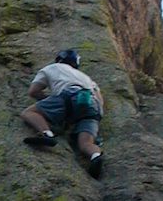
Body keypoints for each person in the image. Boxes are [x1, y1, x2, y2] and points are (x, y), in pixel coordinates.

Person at [21, 49, 105, 179]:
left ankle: (47, 135)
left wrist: (48, 102)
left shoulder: (52, 68)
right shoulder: (86, 77)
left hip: (69, 95)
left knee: (30, 112)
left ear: (59, 60)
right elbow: (100, 101)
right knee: (85, 143)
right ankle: (95, 156)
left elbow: (33, 91)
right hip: (92, 104)